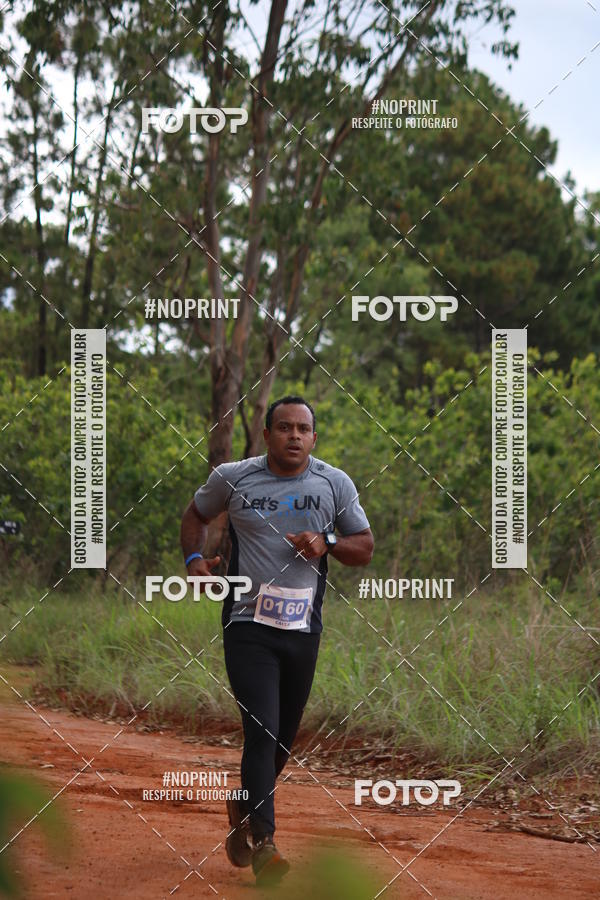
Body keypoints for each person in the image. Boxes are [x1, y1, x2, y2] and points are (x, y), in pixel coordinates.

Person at [180, 395, 374, 885]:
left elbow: (364, 548)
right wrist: (193, 561)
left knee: (283, 739)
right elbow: (195, 515)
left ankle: (245, 807)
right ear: (266, 434)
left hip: (302, 630)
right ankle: (265, 844)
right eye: (283, 427)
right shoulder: (234, 477)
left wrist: (326, 541)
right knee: (262, 730)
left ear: (314, 437)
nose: (293, 435)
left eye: (303, 429)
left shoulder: (334, 484)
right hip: (247, 625)